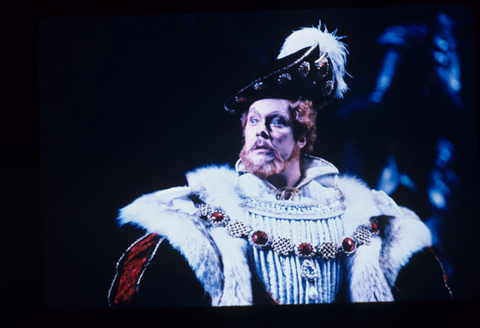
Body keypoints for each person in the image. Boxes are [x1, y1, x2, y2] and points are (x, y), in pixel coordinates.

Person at [108, 24, 451, 308]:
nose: (262, 132)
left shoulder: (361, 215)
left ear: (302, 137)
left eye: (276, 122)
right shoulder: (204, 212)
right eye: (253, 122)